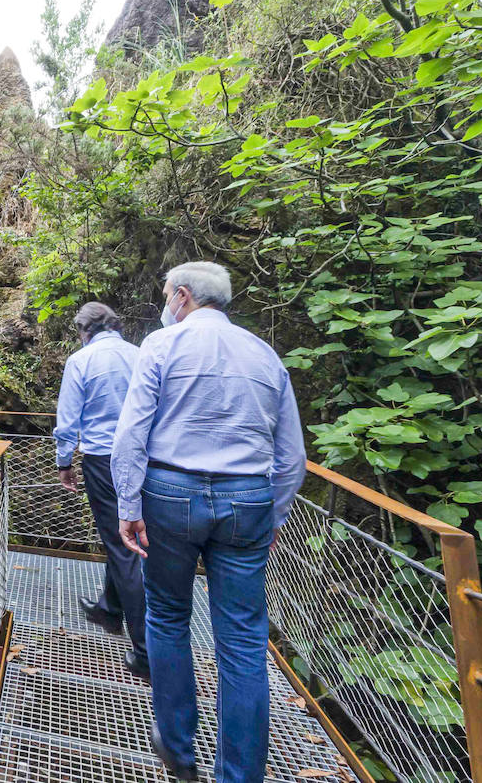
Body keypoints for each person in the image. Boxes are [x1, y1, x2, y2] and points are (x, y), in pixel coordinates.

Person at [111, 262, 306, 783]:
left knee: (169, 616)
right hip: (248, 500)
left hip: (169, 493)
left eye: (165, 295)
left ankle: (176, 746)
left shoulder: (161, 345)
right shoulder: (265, 355)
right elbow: (291, 458)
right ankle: (240, 775)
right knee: (243, 639)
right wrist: (274, 512)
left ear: (182, 296)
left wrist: (128, 506)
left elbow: (132, 432)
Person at [53, 301, 148, 678]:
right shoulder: (141, 354)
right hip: (144, 458)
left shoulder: (83, 359)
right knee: (121, 537)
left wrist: (64, 461)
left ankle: (145, 651)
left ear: (84, 330)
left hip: (102, 459)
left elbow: (68, 418)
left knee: (126, 548)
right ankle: (109, 608)